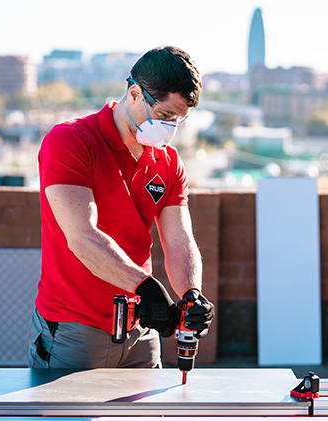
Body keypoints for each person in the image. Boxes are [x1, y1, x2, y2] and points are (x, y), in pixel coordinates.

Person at [28, 45, 214, 369]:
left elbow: (180, 241)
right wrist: (146, 287)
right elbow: (82, 237)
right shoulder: (71, 142)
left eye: (179, 121)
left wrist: (191, 296)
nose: (170, 130)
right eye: (165, 116)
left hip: (141, 332)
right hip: (75, 332)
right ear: (134, 94)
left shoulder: (168, 162)